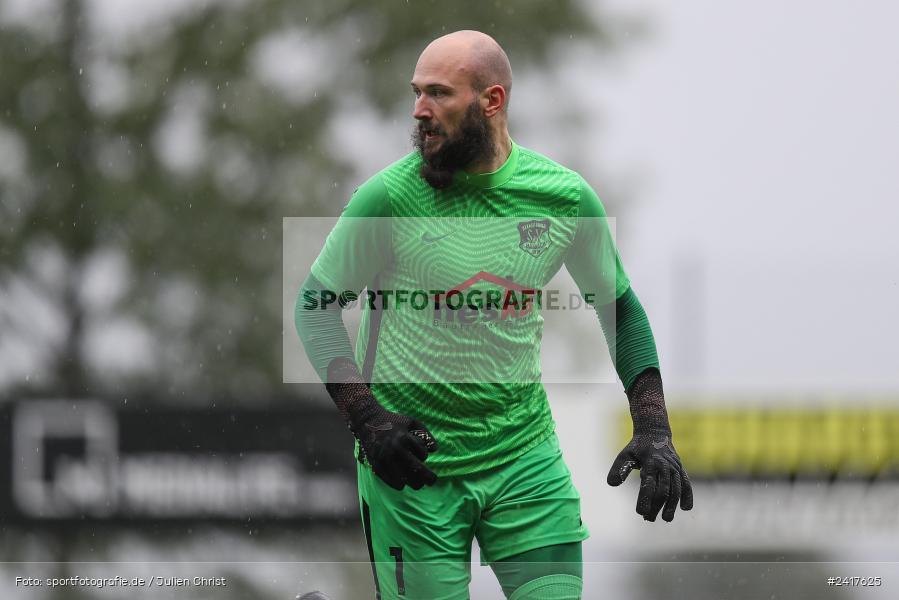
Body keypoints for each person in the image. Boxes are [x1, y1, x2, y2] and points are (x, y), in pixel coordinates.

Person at [296, 30, 692, 600]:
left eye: (438, 94)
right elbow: (313, 309)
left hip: (523, 458)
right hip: (414, 464)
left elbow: (620, 310)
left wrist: (653, 425)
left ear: (492, 100)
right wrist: (368, 418)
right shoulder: (387, 197)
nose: (419, 111)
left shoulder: (564, 198)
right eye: (417, 93)